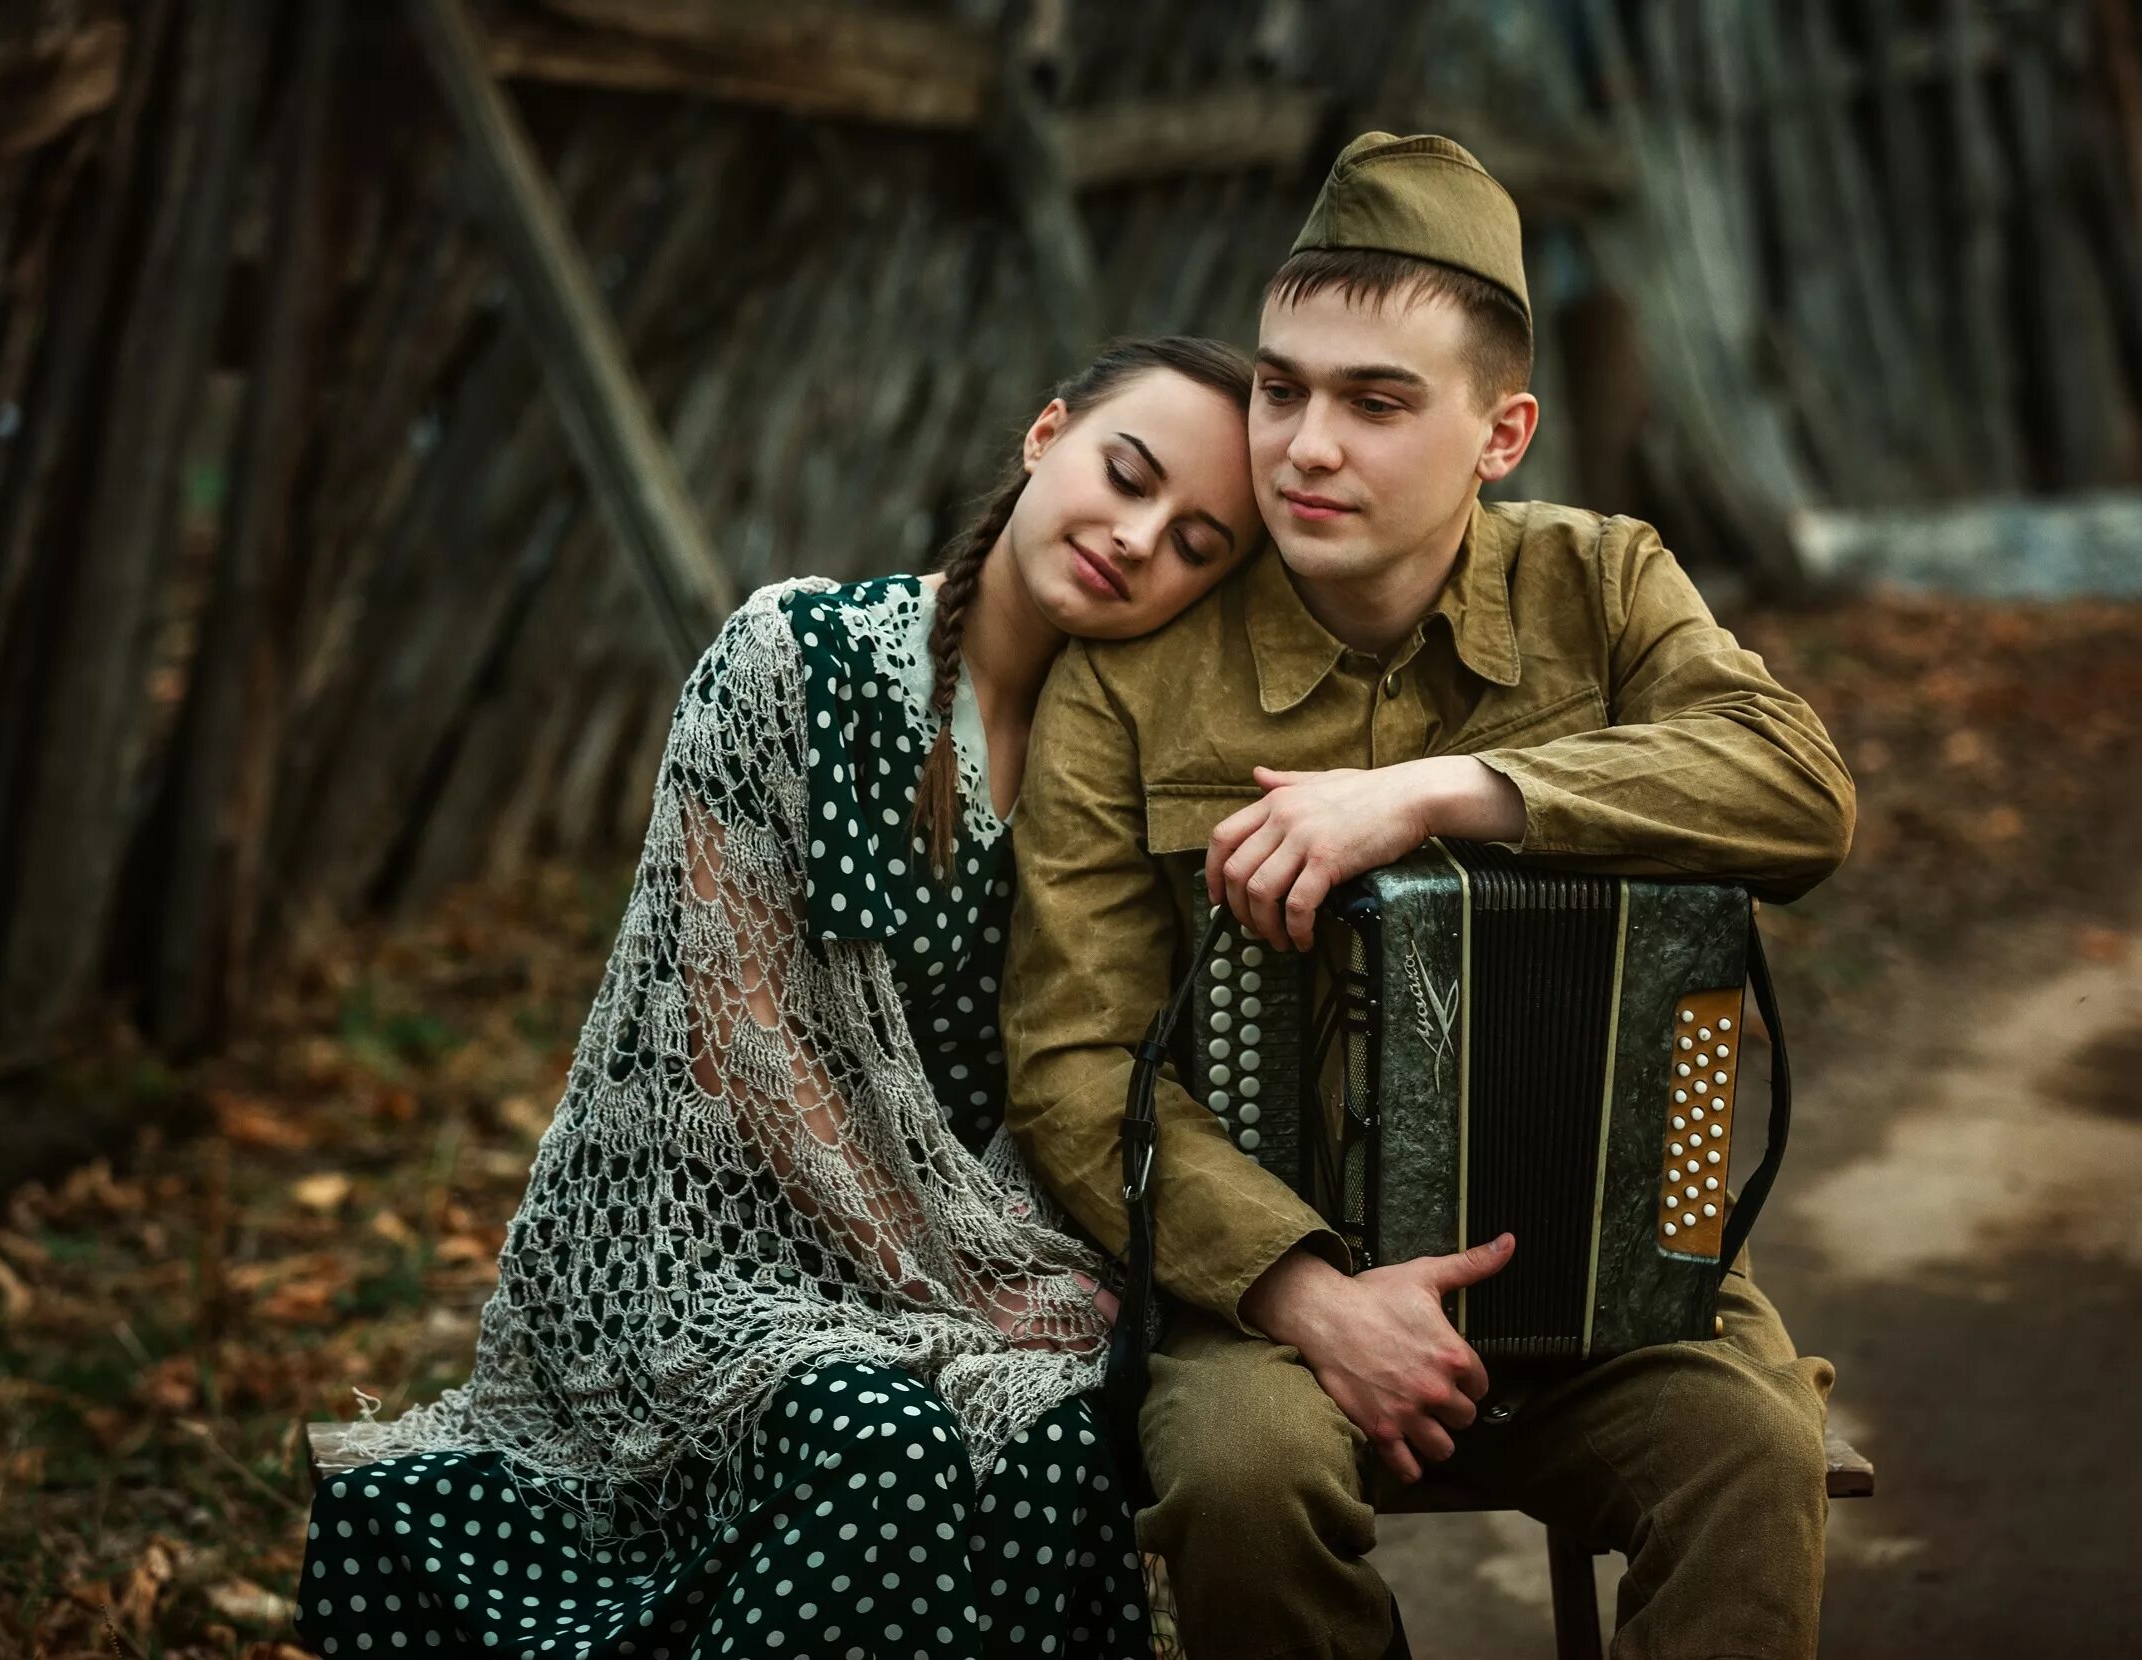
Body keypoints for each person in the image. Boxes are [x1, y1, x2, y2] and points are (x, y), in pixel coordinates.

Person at [1003, 134, 1856, 1660]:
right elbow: (1074, 1063)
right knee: (1238, 1489)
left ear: (1501, 431)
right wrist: (1305, 1292)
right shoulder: (1136, 677)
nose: (1302, 447)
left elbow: (1798, 793)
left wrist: (1443, 795)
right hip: (1273, 1300)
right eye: (1280, 387)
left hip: (1606, 1277)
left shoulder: (1602, 588)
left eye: (1374, 402)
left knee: (1752, 1457)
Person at [293, 335, 1265, 1659]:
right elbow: (747, 1043)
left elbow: (1084, 1070)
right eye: (1128, 473)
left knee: (1049, 1444)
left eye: (1198, 543)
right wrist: (953, 1287)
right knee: (886, 1438)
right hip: (705, 1256)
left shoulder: (1120, 778)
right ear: (1046, 436)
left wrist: (1023, 1280)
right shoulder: (797, 661)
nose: (1141, 537)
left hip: (956, 1261)